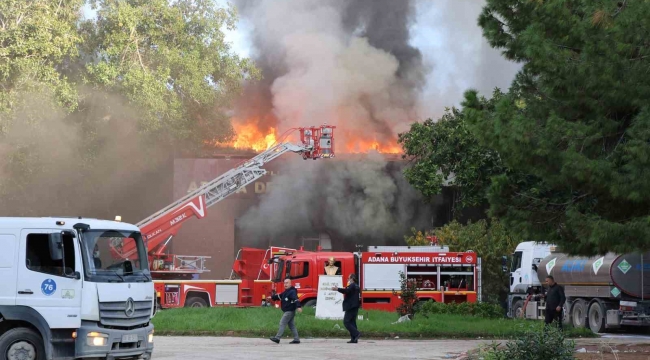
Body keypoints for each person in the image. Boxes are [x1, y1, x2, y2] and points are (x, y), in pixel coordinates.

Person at [269, 278, 302, 344]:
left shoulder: (292, 292)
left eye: (287, 283)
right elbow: (280, 296)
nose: (285, 284)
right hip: (289, 311)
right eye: (284, 283)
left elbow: (296, 299)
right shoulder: (286, 291)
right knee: (291, 325)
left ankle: (277, 338)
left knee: (282, 323)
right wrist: (272, 297)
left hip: (289, 311)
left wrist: (298, 306)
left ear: (290, 284)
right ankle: (296, 339)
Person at [332, 273, 361, 343]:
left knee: (346, 322)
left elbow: (346, 291)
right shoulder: (357, 286)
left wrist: (337, 289)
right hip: (355, 306)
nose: (348, 279)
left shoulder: (352, 285)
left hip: (350, 306)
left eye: (348, 278)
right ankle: (354, 339)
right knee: (352, 322)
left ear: (352, 279)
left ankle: (357, 333)